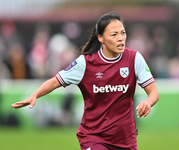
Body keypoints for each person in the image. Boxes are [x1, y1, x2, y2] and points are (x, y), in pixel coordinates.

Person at [11, 12, 159, 150]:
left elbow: (153, 93)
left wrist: (147, 102)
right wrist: (35, 94)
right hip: (94, 137)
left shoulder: (134, 58)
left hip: (126, 138)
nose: (120, 38)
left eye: (123, 33)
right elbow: (56, 81)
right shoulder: (85, 63)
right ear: (100, 38)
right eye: (114, 34)